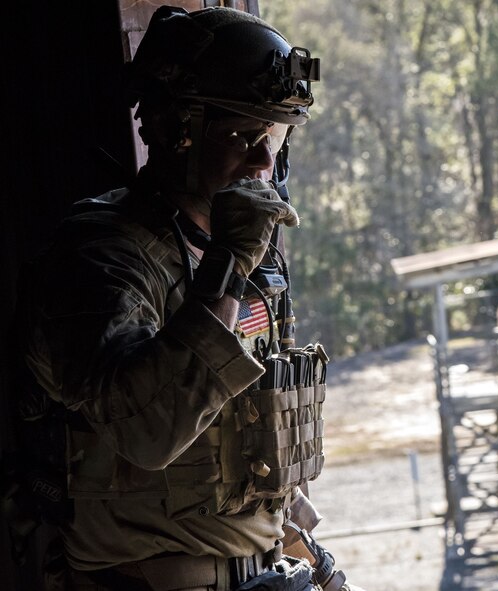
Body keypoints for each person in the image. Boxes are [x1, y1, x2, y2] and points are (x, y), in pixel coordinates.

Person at [17, 5, 359, 590]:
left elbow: (245, 440)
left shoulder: (235, 258)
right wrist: (229, 261)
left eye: (273, 137)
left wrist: (310, 553)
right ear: (178, 133)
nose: (263, 162)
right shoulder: (103, 256)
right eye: (240, 135)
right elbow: (148, 432)